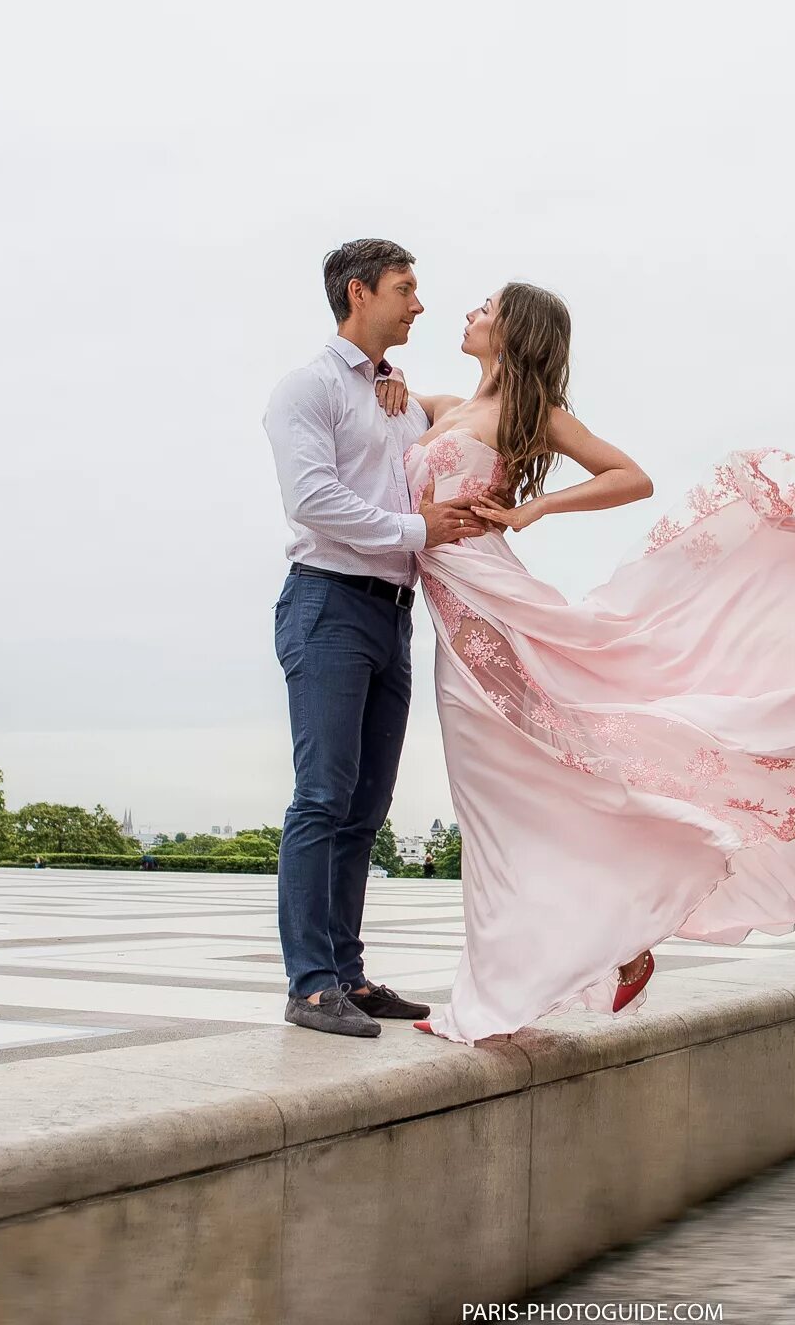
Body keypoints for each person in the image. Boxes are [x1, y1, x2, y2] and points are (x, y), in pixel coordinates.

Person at [388, 279, 795, 1044]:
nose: (471, 312)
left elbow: (630, 477)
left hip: (494, 602)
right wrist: (386, 387)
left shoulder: (534, 415)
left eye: (487, 306)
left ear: (515, 330)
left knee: (542, 774)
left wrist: (532, 508)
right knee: (501, 797)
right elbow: (372, 394)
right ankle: (595, 951)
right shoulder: (444, 407)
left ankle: (510, 989)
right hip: (453, 616)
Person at [263, 240, 492, 1038]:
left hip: (391, 612)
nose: (419, 304)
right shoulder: (307, 388)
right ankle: (310, 983)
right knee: (322, 796)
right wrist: (414, 526)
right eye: (405, 288)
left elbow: (470, 406)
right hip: (326, 602)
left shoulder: (393, 392)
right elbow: (314, 500)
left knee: (365, 808)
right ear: (359, 293)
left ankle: (348, 975)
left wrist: (413, 391)